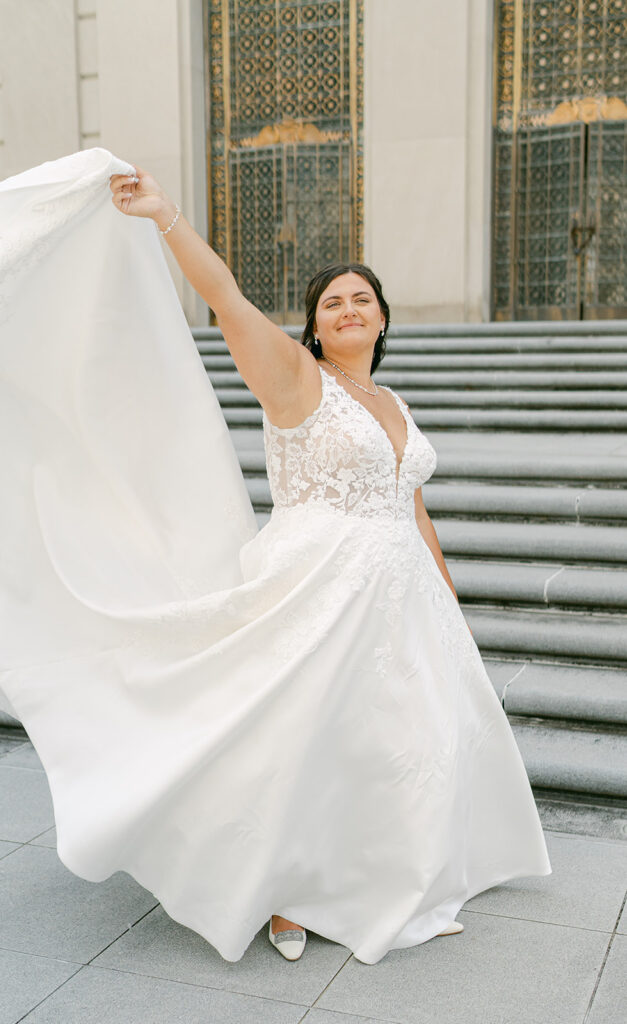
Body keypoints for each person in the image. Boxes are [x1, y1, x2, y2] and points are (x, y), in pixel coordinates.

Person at [108, 165, 552, 962]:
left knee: (392, 742)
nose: (348, 309)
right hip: (317, 580)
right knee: (297, 736)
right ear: (314, 325)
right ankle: (281, 891)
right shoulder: (295, 381)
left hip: (401, 590)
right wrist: (165, 216)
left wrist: (446, 601)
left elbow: (413, 509)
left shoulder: (396, 406)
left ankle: (382, 879)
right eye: (331, 301)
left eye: (362, 298)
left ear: (382, 318)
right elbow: (230, 303)